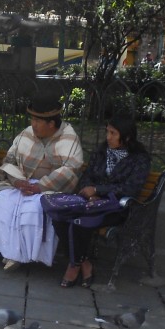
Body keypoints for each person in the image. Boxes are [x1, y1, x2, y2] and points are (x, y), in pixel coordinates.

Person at [0, 94, 84, 270]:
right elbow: (10, 160)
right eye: (32, 119)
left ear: (51, 124)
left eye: (37, 121)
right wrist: (17, 181)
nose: (33, 124)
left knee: (33, 208)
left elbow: (71, 169)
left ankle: (21, 255)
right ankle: (2, 250)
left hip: (50, 188)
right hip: (22, 183)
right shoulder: (26, 133)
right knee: (0, 200)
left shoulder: (69, 138)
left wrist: (39, 187)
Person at [56, 115, 151, 288]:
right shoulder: (101, 152)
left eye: (113, 133)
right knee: (60, 217)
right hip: (90, 203)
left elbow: (131, 188)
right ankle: (83, 262)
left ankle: (73, 265)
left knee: (80, 222)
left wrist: (99, 191)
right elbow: (87, 177)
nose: (108, 137)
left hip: (117, 208)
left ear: (127, 137)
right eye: (107, 132)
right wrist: (90, 193)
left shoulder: (139, 159)